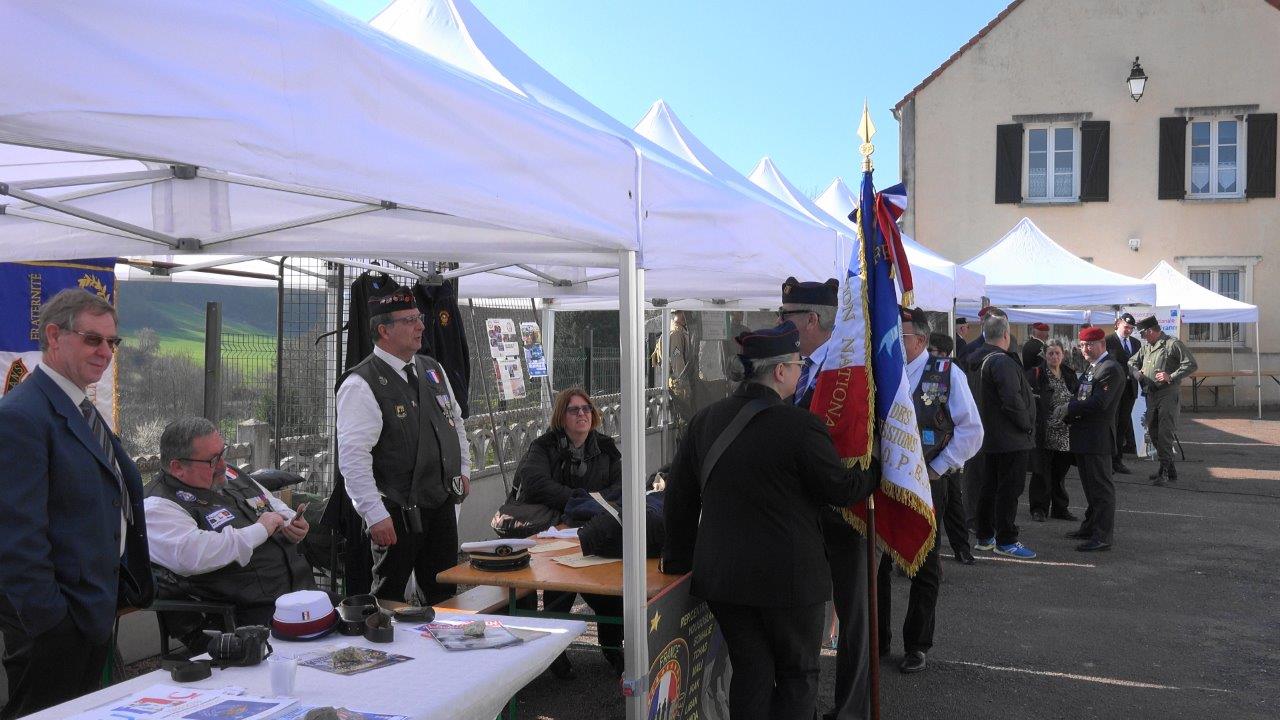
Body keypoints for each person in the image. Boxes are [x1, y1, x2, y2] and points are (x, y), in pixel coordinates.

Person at [662, 322, 878, 720]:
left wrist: (678, 562)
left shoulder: (705, 420)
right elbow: (841, 489)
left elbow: (678, 499)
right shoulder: (800, 426)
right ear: (780, 371)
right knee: (797, 676)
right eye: (797, 364)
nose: (800, 371)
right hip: (790, 583)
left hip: (724, 579)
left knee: (750, 673)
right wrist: (877, 468)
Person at [0, 288, 153, 718]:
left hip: (93, 609)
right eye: (93, 339)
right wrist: (53, 623)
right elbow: (16, 536)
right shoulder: (21, 416)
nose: (106, 352)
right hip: (56, 624)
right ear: (54, 335)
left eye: (112, 341)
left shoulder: (80, 405)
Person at [336, 287, 469, 606]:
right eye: (410, 320)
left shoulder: (432, 369)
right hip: (395, 510)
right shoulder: (361, 383)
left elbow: (456, 422)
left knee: (443, 593)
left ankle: (442, 655)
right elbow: (353, 458)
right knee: (389, 600)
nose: (421, 326)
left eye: (418, 318)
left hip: (440, 504)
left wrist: (463, 470)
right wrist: (373, 514)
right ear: (384, 330)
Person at [780, 276, 871, 720]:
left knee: (853, 614)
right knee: (800, 611)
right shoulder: (791, 364)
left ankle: (850, 708)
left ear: (811, 320)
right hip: (797, 512)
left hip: (845, 507)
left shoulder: (848, 367)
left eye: (787, 317)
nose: (781, 324)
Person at [877, 309, 982, 674]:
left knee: (923, 561)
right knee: (879, 561)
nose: (889, 342)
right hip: (884, 481)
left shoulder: (947, 373)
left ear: (919, 340)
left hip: (926, 482)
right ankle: (878, 639)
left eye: (898, 337)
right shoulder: (881, 371)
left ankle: (917, 645)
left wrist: (939, 467)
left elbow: (972, 431)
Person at [143, 418, 313, 638]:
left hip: (298, 594)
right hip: (244, 618)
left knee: (362, 619)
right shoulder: (158, 505)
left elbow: (271, 504)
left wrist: (292, 522)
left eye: (222, 453)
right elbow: (193, 554)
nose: (223, 464)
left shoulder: (229, 474)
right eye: (212, 460)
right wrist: (260, 530)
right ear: (178, 467)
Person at [512, 387, 624, 678]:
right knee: (558, 588)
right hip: (552, 535)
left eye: (586, 409)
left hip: (594, 531)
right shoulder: (543, 446)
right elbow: (535, 482)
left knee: (610, 592)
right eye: (574, 410)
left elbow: (621, 486)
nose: (582, 414)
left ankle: (613, 647)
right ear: (561, 416)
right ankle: (554, 653)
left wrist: (586, 505)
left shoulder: (606, 447)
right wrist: (578, 500)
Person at [964, 311, 1038, 559]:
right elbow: (1012, 400)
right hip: (1009, 438)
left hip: (988, 436)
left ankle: (985, 536)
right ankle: (1006, 539)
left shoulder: (973, 359)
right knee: (1009, 490)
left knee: (989, 487)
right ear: (1006, 335)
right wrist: (1027, 424)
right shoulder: (1001, 361)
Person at [1062, 327, 1126, 551]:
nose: (1085, 349)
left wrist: (1069, 408)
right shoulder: (1093, 367)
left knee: (1101, 489)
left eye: (1089, 344)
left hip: (1097, 438)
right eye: (1081, 345)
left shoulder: (1109, 368)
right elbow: (1081, 395)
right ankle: (1090, 527)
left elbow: (1100, 403)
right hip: (1084, 437)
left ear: (1102, 344)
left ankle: (1102, 536)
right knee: (1090, 487)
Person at [1130, 316, 1197, 485]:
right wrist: (1138, 374)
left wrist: (1171, 376)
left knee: (1164, 432)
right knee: (1153, 431)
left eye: (1144, 334)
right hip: (1151, 394)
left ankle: (1165, 472)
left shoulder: (1172, 344)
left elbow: (1191, 364)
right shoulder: (1147, 347)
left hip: (1168, 393)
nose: (1143, 337)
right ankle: (1168, 468)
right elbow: (1131, 362)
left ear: (1151, 331)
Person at [927, 332, 975, 565]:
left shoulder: (950, 374)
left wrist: (948, 458)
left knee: (953, 504)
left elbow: (967, 424)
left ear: (944, 354)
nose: (928, 355)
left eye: (932, 351)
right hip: (929, 454)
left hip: (947, 454)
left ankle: (961, 548)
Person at [1026, 339, 1079, 522]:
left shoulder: (1070, 374)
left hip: (1065, 431)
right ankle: (1038, 508)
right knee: (1042, 472)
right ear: (1044, 355)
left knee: (1060, 472)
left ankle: (1060, 508)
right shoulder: (1036, 374)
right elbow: (1030, 401)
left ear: (1063, 354)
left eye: (1057, 353)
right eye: (1050, 353)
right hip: (1044, 430)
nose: (1054, 357)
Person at [1106, 313, 1141, 474]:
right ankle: (1108, 460)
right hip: (1113, 389)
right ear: (1118, 324)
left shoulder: (1136, 343)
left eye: (1131, 328)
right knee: (1111, 424)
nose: (1128, 330)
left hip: (1129, 389)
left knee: (1123, 425)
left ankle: (1117, 460)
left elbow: (1140, 364)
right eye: (1126, 327)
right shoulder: (1108, 341)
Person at [667, 310, 696, 426]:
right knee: (684, 420)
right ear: (675, 313)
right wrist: (684, 384)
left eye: (686, 312)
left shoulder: (682, 330)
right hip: (680, 384)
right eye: (680, 313)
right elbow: (677, 360)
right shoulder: (676, 332)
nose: (684, 316)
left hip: (684, 381)